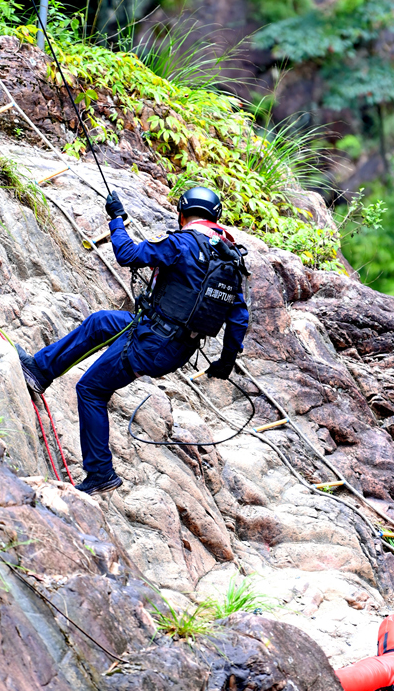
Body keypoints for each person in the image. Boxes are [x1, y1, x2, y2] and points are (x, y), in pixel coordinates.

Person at [17, 186, 250, 495]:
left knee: (90, 390)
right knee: (102, 322)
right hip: (173, 342)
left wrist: (116, 219)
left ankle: (101, 473)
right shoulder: (230, 257)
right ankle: (40, 371)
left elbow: (127, 254)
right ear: (214, 218)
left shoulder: (182, 242)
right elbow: (238, 318)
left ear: (182, 215)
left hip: (152, 342)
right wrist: (226, 361)